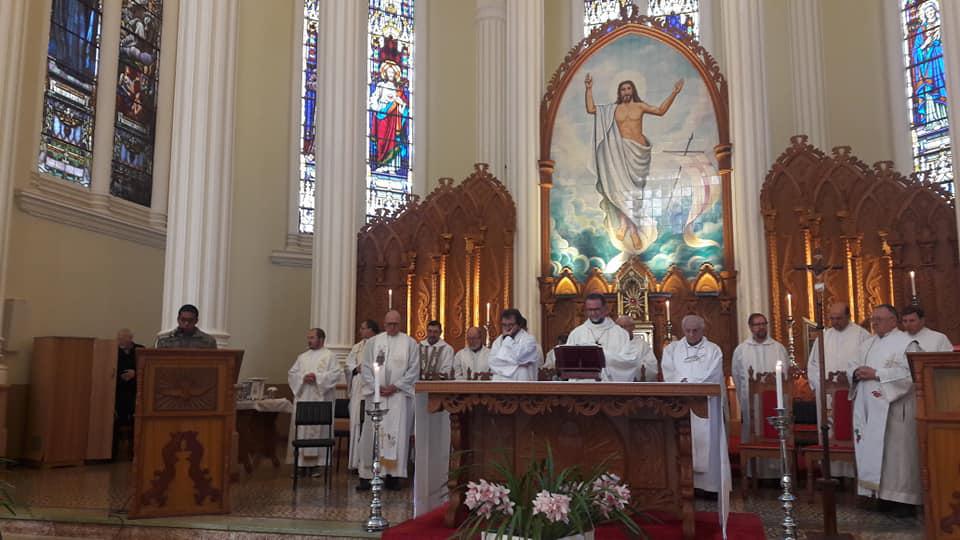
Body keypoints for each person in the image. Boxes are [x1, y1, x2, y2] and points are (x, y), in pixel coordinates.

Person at [584, 74, 685, 255]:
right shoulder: (613, 110)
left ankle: (627, 226)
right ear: (619, 92)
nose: (626, 92)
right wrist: (589, 89)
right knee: (621, 191)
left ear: (633, 91)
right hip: (619, 154)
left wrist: (674, 93)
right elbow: (591, 109)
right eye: (623, 89)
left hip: (638, 154)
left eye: (628, 88)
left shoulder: (640, 106)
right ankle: (629, 228)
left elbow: (661, 111)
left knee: (634, 193)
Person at [849, 304, 921, 517]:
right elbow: (851, 365)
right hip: (869, 409)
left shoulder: (908, 343)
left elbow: (912, 374)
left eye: (880, 319)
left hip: (896, 411)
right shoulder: (867, 344)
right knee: (872, 451)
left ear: (893, 319)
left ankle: (902, 501)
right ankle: (878, 497)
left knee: (897, 457)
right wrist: (856, 372)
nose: (875, 323)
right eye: (873, 320)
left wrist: (877, 373)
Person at [661, 314, 729, 496]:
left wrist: (693, 385)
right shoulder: (672, 350)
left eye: (695, 330)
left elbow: (714, 374)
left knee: (709, 444)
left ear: (703, 329)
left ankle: (710, 487)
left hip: (705, 404)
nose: (691, 334)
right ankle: (684, 484)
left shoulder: (713, 350)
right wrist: (683, 383)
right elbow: (668, 370)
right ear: (682, 330)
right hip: (681, 404)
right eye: (687, 331)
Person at [357, 310, 419, 491]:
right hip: (377, 397)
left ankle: (393, 476)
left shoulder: (410, 343)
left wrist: (396, 386)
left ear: (401, 324)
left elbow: (414, 370)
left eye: (396, 324)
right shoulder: (374, 342)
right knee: (372, 434)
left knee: (397, 434)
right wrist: (377, 386)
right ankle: (370, 474)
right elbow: (366, 368)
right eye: (389, 324)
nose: (392, 327)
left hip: (398, 397)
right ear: (384, 324)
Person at [806, 302, 869, 479]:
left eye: (839, 318)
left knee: (851, 428)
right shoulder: (823, 336)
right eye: (832, 318)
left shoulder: (862, 336)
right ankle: (830, 473)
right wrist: (820, 384)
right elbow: (813, 365)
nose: (834, 322)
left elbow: (866, 361)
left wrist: (851, 380)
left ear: (848, 316)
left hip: (852, 392)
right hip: (827, 394)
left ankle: (855, 473)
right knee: (829, 429)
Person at [731, 313, 788, 480]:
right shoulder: (741, 350)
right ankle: (753, 474)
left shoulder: (778, 348)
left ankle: (776, 475)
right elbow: (736, 375)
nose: (761, 327)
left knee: (774, 432)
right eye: (757, 324)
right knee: (752, 433)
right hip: (751, 403)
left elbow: (786, 375)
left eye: (763, 323)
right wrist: (744, 399)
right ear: (750, 327)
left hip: (774, 402)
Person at [286, 328, 341, 475]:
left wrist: (317, 378)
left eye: (312, 337)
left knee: (320, 429)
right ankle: (301, 465)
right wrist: (303, 377)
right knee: (302, 431)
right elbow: (292, 374)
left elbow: (336, 374)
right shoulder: (302, 357)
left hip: (321, 399)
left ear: (321, 339)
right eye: (308, 337)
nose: (308, 340)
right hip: (304, 396)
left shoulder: (330, 356)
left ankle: (318, 465)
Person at [565, 293, 635, 382]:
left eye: (597, 309)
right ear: (585, 310)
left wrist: (603, 356)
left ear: (605, 309)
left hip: (611, 387)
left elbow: (627, 363)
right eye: (590, 310)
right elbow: (569, 363)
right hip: (584, 387)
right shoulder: (577, 333)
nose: (593, 313)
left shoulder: (621, 334)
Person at [347, 319, 379, 471]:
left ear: (371, 330)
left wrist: (369, 370)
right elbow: (348, 365)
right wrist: (356, 368)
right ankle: (356, 461)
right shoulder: (357, 347)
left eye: (363, 328)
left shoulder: (380, 344)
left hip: (373, 386)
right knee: (356, 422)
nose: (360, 331)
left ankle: (371, 461)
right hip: (358, 386)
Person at [114, 328, 142, 460]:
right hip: (116, 391)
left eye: (124, 339)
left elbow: (145, 367)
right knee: (113, 418)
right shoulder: (113, 350)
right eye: (119, 339)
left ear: (130, 339)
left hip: (135, 392)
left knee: (136, 419)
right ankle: (110, 454)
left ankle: (135, 453)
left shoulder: (140, 350)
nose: (121, 342)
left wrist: (134, 373)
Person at [489, 309, 540, 381]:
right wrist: (518, 365)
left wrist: (508, 340)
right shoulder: (498, 341)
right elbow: (492, 362)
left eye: (511, 325)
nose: (507, 328)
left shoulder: (529, 340)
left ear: (519, 324)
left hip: (523, 380)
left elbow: (520, 356)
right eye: (504, 325)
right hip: (501, 382)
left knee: (522, 370)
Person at [615, 315, 658, 381]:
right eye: (620, 327)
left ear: (633, 327)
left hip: (637, 383)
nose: (622, 329)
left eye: (626, 326)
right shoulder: (611, 344)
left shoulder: (642, 345)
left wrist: (636, 369)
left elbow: (651, 365)